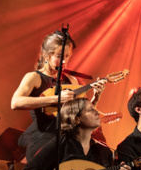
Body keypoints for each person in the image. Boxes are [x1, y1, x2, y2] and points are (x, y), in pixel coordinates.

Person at [12, 31, 105, 161]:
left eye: (67, 56)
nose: (64, 61)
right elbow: (15, 103)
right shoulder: (34, 77)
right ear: (46, 54)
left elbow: (82, 116)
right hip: (42, 140)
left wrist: (96, 98)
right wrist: (56, 98)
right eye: (59, 56)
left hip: (66, 141)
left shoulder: (71, 81)